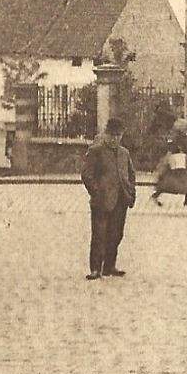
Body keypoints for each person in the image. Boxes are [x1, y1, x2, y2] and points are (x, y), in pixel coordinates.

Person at [80, 118, 135, 280]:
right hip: (102, 200)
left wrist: (131, 191)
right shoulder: (96, 151)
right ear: (107, 135)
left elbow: (131, 174)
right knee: (99, 235)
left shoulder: (125, 153)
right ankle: (95, 268)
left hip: (121, 199)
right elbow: (87, 174)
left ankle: (109, 266)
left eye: (119, 136)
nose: (116, 139)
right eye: (113, 135)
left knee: (116, 234)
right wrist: (97, 192)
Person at [152, 120, 187, 207]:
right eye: (185, 127)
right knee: (171, 183)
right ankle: (156, 194)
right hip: (180, 162)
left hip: (186, 161)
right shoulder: (177, 138)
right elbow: (172, 148)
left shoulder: (183, 137)